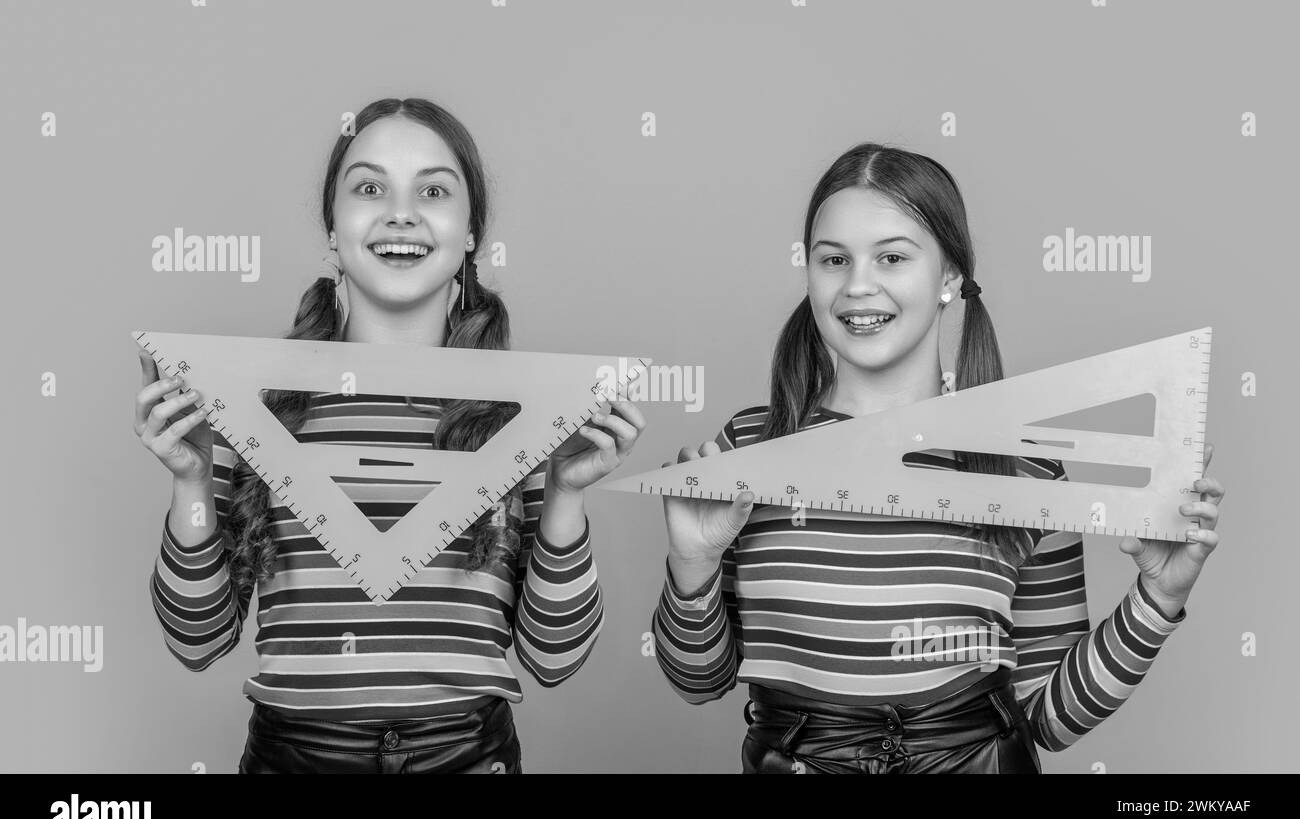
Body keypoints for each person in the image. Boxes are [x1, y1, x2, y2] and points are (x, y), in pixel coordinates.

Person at [651, 142, 1224, 774]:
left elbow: (1046, 718)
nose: (858, 285)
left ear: (949, 276)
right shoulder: (751, 449)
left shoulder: (1026, 468)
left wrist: (1157, 599)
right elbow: (697, 681)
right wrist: (693, 563)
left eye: (892, 257)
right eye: (833, 259)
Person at [134, 97, 645, 773]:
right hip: (297, 757)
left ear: (469, 234)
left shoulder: (515, 418)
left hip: (467, 755)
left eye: (433, 190)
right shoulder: (259, 413)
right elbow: (195, 640)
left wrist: (566, 494)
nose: (400, 213)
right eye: (369, 187)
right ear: (332, 229)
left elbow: (555, 658)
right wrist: (191, 481)